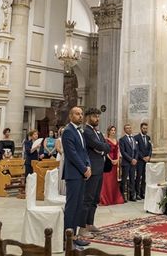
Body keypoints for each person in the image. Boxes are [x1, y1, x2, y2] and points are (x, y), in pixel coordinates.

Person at [62, 106, 92, 248]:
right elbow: (72, 154)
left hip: (81, 173)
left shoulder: (79, 131)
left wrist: (88, 166)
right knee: (71, 206)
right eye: (77, 114)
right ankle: (67, 239)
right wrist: (84, 169)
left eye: (81, 114)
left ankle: (74, 236)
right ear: (70, 116)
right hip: (73, 174)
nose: (80, 116)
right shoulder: (68, 131)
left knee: (78, 206)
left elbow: (84, 152)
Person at [80, 108, 110, 238]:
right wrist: (102, 147)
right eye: (94, 116)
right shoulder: (87, 132)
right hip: (92, 168)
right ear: (87, 117)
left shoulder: (97, 131)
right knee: (87, 199)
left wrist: (102, 148)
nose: (97, 119)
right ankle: (82, 228)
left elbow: (106, 146)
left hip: (100, 167)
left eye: (98, 116)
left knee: (95, 198)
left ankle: (90, 223)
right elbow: (98, 145)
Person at [100, 126, 124, 206]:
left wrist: (117, 160)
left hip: (115, 163)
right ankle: (106, 199)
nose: (113, 132)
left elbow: (118, 151)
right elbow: (105, 152)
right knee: (107, 181)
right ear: (109, 131)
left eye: (114, 130)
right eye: (112, 130)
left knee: (114, 182)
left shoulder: (116, 141)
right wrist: (111, 160)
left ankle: (114, 198)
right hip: (108, 162)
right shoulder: (106, 140)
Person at [119, 124, 138, 202]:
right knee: (124, 180)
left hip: (134, 163)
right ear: (124, 130)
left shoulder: (134, 139)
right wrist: (131, 160)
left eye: (130, 128)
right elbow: (123, 152)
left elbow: (137, 150)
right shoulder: (122, 139)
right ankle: (123, 196)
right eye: (127, 128)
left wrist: (135, 159)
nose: (129, 129)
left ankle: (132, 195)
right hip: (126, 162)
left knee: (132, 179)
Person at [134, 122, 152, 200]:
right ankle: (137, 193)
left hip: (147, 161)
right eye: (144, 128)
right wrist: (142, 157)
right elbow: (137, 149)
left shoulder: (148, 138)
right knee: (138, 176)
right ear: (141, 128)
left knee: (145, 177)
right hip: (140, 161)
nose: (145, 130)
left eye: (146, 128)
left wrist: (149, 156)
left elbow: (150, 148)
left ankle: (142, 192)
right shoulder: (136, 137)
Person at [55, 126, 66, 195]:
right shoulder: (59, 139)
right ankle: (61, 189)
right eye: (62, 131)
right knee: (61, 171)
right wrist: (63, 153)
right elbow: (58, 148)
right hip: (61, 156)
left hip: (66, 156)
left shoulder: (67, 139)